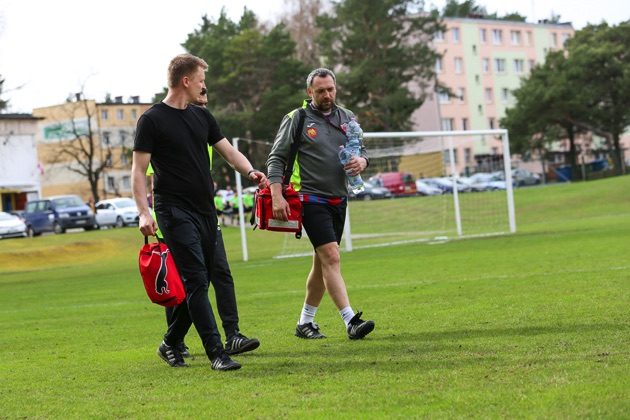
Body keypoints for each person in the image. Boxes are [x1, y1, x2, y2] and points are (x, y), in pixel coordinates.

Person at [132, 53, 267, 371]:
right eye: (202, 80)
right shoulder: (151, 120)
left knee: (203, 281)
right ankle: (217, 353)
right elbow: (138, 172)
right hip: (173, 211)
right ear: (186, 81)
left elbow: (229, 152)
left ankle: (169, 343)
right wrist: (143, 212)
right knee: (195, 281)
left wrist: (251, 172)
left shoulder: (202, 118)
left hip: (206, 211)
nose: (205, 86)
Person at [266, 68, 375, 340]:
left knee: (322, 261)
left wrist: (362, 161)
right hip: (310, 198)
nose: (327, 95)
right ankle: (350, 320)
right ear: (309, 92)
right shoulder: (297, 118)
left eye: (331, 89)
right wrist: (277, 195)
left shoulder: (347, 117)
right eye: (320, 91)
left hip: (339, 198)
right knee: (332, 256)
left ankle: (305, 323)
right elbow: (276, 159)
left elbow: (361, 149)